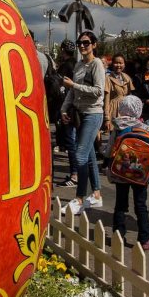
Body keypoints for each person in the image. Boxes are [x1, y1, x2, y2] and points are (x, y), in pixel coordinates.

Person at [105, 95, 149, 251]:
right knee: (141, 205)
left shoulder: (118, 128)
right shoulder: (145, 128)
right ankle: (145, 239)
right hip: (141, 174)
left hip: (121, 173)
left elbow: (108, 151)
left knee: (120, 205)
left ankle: (118, 236)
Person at [60, 31, 107, 215]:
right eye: (79, 42)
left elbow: (98, 91)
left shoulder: (97, 64)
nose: (82, 46)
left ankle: (79, 198)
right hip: (79, 113)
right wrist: (64, 109)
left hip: (93, 113)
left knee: (80, 156)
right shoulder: (79, 64)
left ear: (94, 45)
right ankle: (96, 194)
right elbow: (71, 92)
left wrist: (74, 85)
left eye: (86, 43)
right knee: (89, 156)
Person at [54, 40, 79, 185]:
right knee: (77, 143)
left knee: (71, 143)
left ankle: (74, 175)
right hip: (78, 107)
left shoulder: (64, 67)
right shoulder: (78, 64)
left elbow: (58, 88)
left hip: (68, 107)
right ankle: (77, 174)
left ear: (63, 50)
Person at [104, 54, 135, 132]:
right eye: (116, 63)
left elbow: (131, 96)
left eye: (121, 63)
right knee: (115, 139)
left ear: (124, 64)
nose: (118, 65)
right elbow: (106, 99)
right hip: (113, 110)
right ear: (112, 64)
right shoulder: (108, 78)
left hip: (125, 112)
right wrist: (107, 118)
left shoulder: (127, 78)